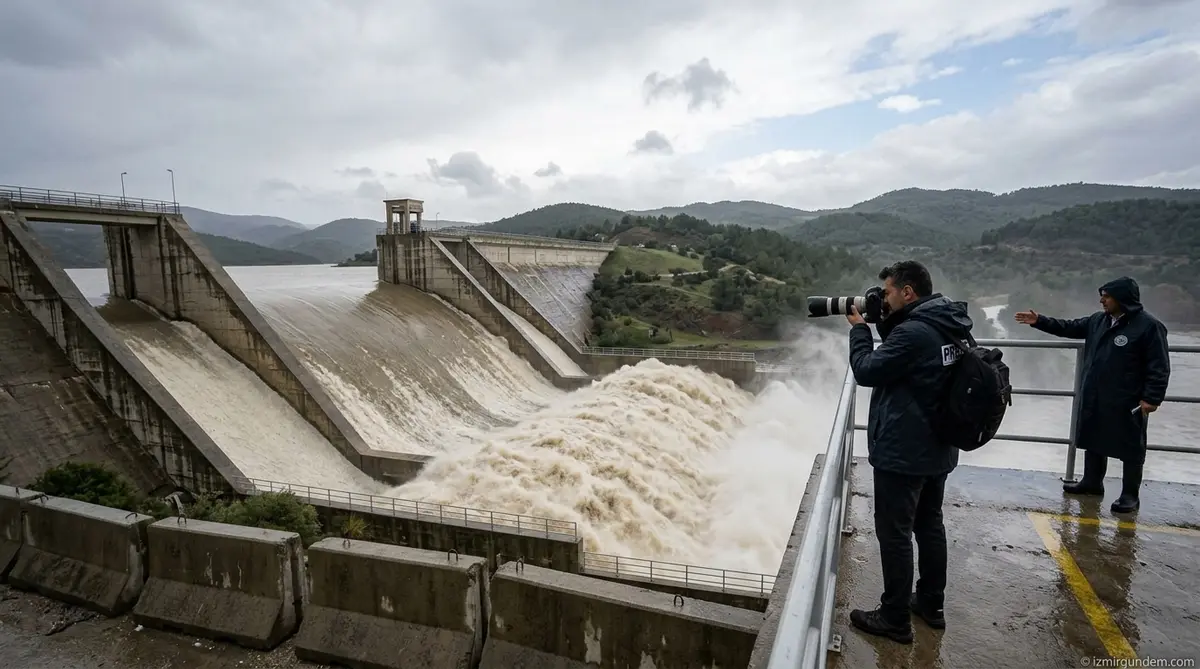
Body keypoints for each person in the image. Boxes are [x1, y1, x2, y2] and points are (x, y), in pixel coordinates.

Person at [844, 260, 973, 644]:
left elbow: (867, 370)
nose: (882, 297)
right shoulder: (947, 321)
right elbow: (908, 354)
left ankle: (895, 617)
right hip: (939, 446)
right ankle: (931, 604)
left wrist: (860, 332)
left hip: (904, 450)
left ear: (908, 292)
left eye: (887, 292)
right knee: (929, 523)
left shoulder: (915, 333)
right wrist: (885, 318)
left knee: (895, 533)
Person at [1013, 277, 1170, 513]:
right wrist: (1040, 321)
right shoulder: (1099, 321)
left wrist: (1152, 398)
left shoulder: (1148, 326)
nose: (1102, 300)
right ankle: (1091, 482)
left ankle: (1130, 495)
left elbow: (1159, 366)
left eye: (1106, 296)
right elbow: (1070, 327)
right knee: (1094, 436)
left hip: (1127, 398)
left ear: (1122, 298)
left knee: (1131, 445)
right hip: (1096, 393)